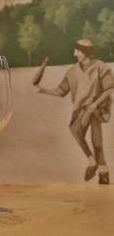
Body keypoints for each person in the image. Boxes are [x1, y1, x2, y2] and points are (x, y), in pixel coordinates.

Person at [38, 39, 114, 184]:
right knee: (75, 130)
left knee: (97, 144)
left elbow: (110, 88)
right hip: (81, 110)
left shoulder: (101, 67)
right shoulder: (72, 71)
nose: (74, 53)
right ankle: (93, 163)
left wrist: (94, 106)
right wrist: (45, 91)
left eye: (77, 50)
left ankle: (103, 175)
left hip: (96, 109)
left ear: (84, 52)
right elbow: (61, 91)